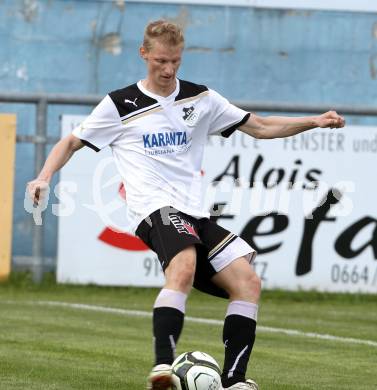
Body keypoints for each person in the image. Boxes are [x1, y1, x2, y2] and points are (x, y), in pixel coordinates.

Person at [27, 20, 345, 390]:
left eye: (175, 61)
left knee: (247, 282)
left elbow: (258, 126)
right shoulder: (120, 104)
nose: (168, 69)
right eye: (160, 60)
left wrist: (315, 122)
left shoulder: (201, 98)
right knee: (184, 264)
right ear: (143, 53)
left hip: (195, 211)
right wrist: (43, 177)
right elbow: (70, 142)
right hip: (153, 208)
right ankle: (163, 369)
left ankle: (234, 380)